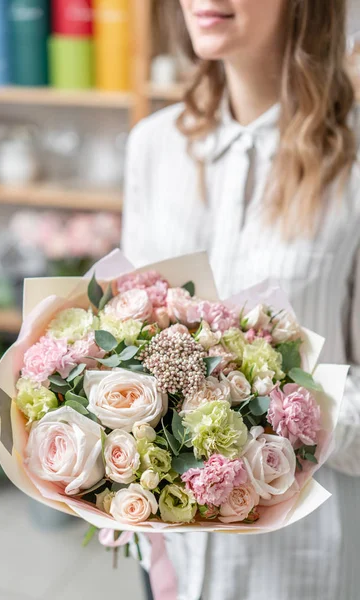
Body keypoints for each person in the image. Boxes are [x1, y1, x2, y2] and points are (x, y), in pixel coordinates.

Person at [122, 1, 360, 599]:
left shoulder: (351, 167)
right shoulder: (152, 146)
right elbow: (122, 335)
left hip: (297, 564)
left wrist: (277, 415)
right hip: (168, 551)